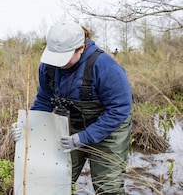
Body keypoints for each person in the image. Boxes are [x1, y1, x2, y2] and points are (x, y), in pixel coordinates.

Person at [11, 21, 132, 194]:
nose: (59, 63)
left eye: (64, 57)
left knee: (108, 187)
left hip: (109, 129)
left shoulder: (106, 67)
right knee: (58, 178)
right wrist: (26, 127)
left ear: (81, 48)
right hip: (72, 125)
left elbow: (119, 109)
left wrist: (85, 137)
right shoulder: (48, 67)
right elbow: (44, 101)